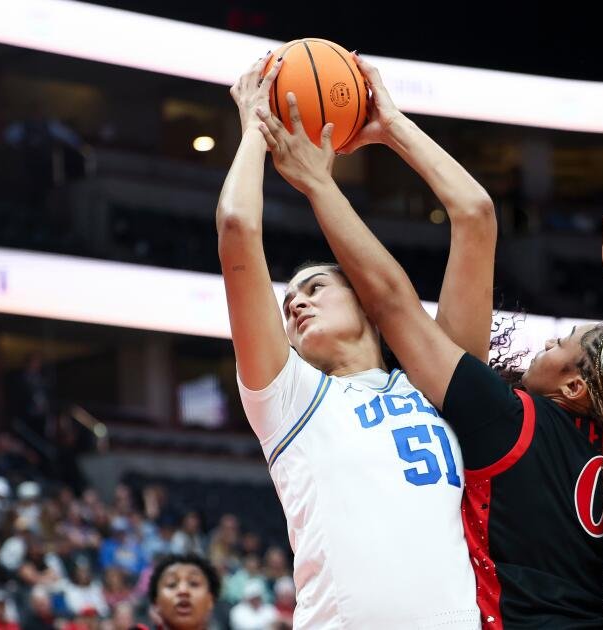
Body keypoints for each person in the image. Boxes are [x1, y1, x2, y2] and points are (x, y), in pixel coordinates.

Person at [257, 67, 603, 626]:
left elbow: (394, 299)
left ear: (575, 386)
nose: (547, 341)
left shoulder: (508, 422)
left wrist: (333, 173)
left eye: (563, 342)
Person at [220, 53, 495, 627]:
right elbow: (237, 228)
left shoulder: (437, 381)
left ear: (368, 306)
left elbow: (474, 215)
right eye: (289, 299)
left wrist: (391, 125)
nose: (295, 302)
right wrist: (252, 129)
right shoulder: (287, 397)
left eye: (316, 287)